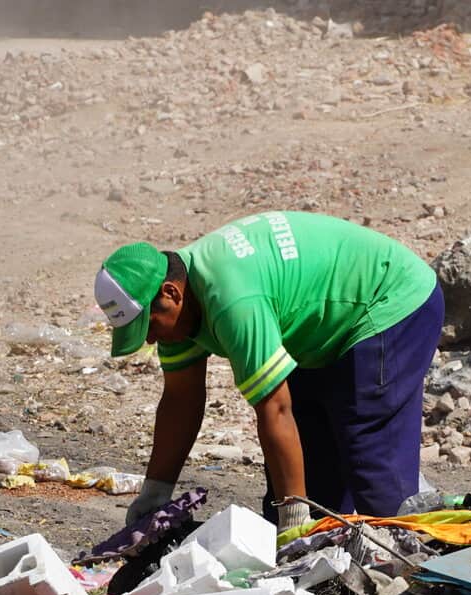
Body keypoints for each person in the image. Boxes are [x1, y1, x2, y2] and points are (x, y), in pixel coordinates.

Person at [94, 211, 444, 532]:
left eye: (149, 326)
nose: (151, 340)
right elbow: (180, 400)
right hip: (318, 327)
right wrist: (156, 490)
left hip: (388, 301)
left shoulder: (233, 302)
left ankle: (409, 577)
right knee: (311, 482)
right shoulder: (179, 305)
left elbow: (274, 408)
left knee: (372, 466)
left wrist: (292, 517)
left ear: (171, 293)